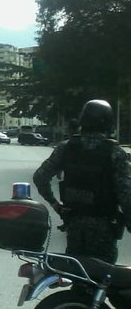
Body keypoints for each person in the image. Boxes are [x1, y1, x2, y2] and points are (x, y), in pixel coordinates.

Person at [33, 99, 131, 264]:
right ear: (107, 123)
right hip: (103, 227)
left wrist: (56, 205)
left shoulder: (66, 147)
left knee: (77, 273)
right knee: (102, 278)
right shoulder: (115, 153)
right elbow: (126, 194)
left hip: (74, 223)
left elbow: (40, 177)